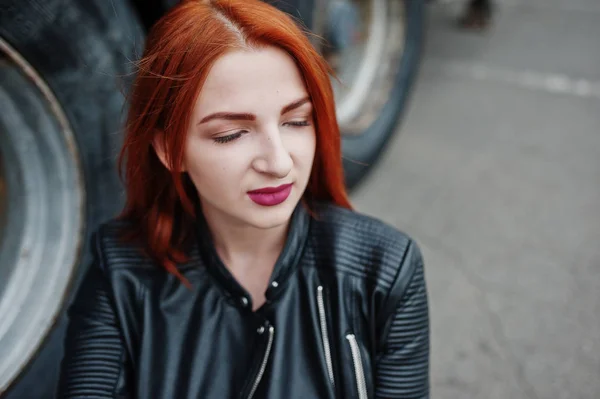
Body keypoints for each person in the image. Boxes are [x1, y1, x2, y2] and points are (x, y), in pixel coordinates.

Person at [56, 0, 430, 398]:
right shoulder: (121, 273)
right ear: (170, 150)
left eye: (296, 121)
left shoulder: (383, 268)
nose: (279, 162)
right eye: (231, 134)